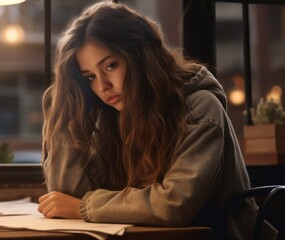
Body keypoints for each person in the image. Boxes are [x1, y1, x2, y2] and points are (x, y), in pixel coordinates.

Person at [37, 1, 277, 239]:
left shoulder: (199, 107)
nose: (102, 86)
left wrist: (85, 207)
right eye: (89, 76)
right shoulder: (112, 116)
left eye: (110, 65)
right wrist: (66, 104)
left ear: (141, 56)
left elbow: (174, 204)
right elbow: (63, 198)